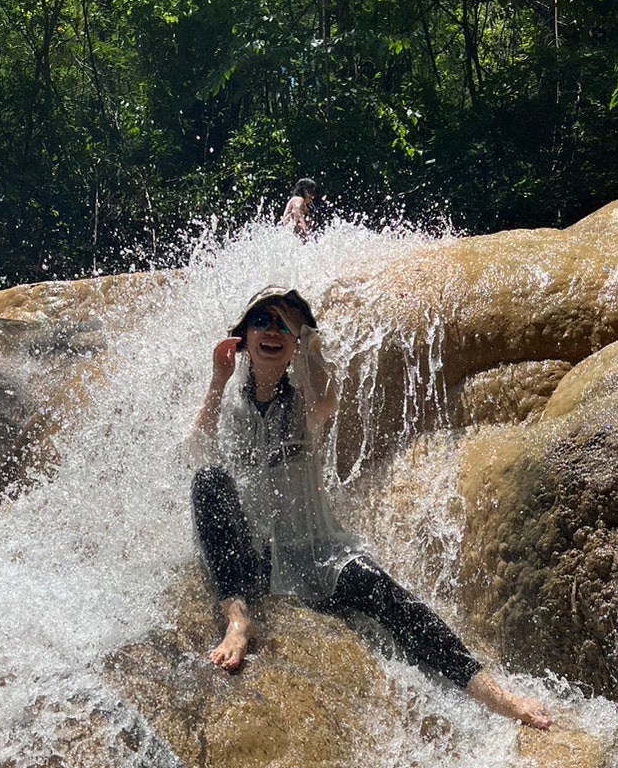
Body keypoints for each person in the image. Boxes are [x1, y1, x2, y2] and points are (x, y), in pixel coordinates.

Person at [190, 286, 553, 729]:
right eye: (262, 320)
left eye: (286, 324)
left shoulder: (302, 400)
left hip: (316, 554)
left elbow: (327, 401)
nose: (273, 330)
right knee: (207, 481)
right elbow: (198, 447)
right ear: (242, 335)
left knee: (387, 596)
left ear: (297, 343)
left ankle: (494, 695)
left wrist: (310, 344)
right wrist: (217, 379)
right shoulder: (229, 402)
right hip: (257, 560)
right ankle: (239, 619)